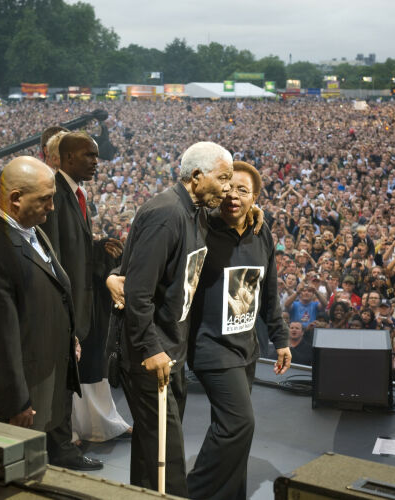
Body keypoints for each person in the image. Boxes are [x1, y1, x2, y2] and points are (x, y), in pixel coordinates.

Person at [114, 141, 232, 495]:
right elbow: (138, 291)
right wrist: (150, 348)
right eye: (223, 178)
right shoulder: (167, 213)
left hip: (171, 348)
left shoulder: (193, 211)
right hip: (151, 353)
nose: (227, 188)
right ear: (197, 176)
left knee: (154, 446)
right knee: (167, 451)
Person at [0, 156, 81, 440]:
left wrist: (67, 335)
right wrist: (17, 401)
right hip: (13, 404)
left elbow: (47, 290)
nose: (52, 206)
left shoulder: (27, 228)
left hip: (40, 377)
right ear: (15, 199)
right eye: (46, 199)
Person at [186, 161, 291, 500]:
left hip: (245, 348)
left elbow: (269, 289)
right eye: (228, 187)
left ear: (255, 197)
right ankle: (192, 493)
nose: (233, 196)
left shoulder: (263, 232)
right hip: (209, 345)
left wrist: (281, 338)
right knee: (239, 424)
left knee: (231, 429)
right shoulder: (201, 228)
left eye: (243, 191)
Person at [39, 131, 125, 469]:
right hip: (65, 306)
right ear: (66, 157)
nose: (95, 161)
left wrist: (97, 248)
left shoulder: (76, 192)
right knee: (61, 381)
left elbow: (74, 248)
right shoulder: (56, 194)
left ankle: (62, 443)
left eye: (96, 155)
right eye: (89, 155)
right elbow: (55, 255)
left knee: (66, 379)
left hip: (78, 303)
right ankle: (61, 450)